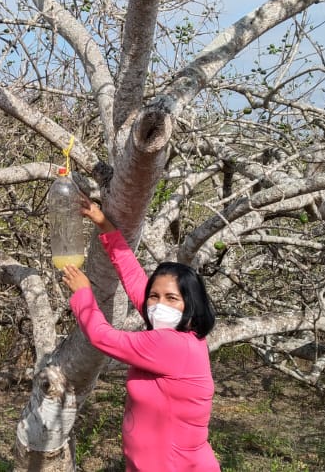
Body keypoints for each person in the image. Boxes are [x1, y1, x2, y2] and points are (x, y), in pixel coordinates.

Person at [60, 201, 219, 471]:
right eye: (155, 296)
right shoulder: (181, 333)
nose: (159, 305)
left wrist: (83, 293)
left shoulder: (170, 344)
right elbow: (135, 280)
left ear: (190, 305)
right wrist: (104, 225)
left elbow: (102, 337)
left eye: (171, 298)